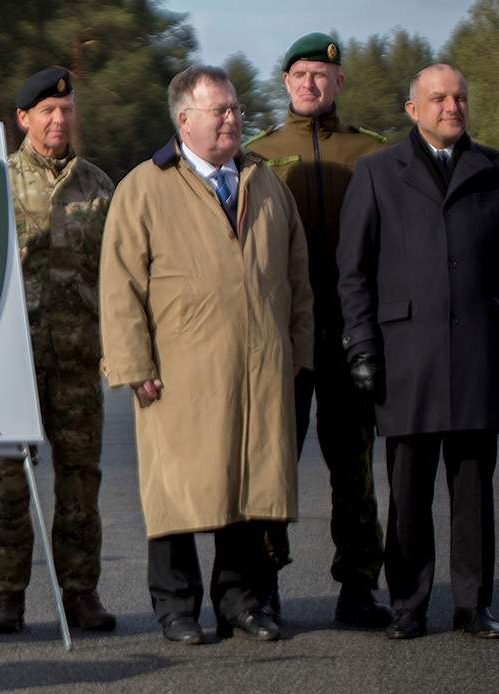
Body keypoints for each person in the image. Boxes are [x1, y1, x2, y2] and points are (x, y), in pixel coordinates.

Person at [99, 65, 314, 644]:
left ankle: (242, 602)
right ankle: (176, 607)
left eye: (236, 109)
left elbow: (297, 276)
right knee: (176, 492)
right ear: (183, 120)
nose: (231, 119)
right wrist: (133, 364)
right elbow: (120, 286)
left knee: (249, 485)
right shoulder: (142, 187)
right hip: (178, 374)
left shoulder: (266, 183)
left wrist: (298, 348)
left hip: (261, 367)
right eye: (218, 110)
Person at [337, 63, 499, 640]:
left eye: (459, 97)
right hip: (406, 359)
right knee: (407, 490)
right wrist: (361, 346)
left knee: (473, 489)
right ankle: (408, 605)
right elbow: (352, 272)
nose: (451, 107)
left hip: (480, 353)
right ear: (412, 110)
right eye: (438, 98)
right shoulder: (377, 173)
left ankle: (473, 606)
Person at [245, 32, 391, 627]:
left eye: (322, 75)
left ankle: (358, 586)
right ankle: (266, 585)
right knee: (274, 461)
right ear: (285, 83)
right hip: (284, 334)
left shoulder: (374, 152)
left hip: (354, 330)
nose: (311, 83)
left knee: (354, 465)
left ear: (339, 82)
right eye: (300, 73)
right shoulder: (255, 153)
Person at [0, 66, 116, 634]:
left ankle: (81, 592)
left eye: (66, 111)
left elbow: (118, 273)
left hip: (79, 358)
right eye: (46, 112)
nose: (59, 119)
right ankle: (8, 595)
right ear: (23, 119)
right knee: (9, 481)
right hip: (12, 361)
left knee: (81, 481)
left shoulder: (99, 187)